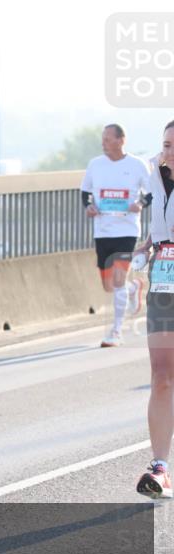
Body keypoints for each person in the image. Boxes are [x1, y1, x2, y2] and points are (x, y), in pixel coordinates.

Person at [80, 124, 151, 347]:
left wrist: (139, 203)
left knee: (118, 280)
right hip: (102, 230)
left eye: (108, 139)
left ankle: (116, 331)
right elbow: (86, 192)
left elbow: (151, 194)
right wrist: (89, 207)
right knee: (109, 284)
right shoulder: (95, 165)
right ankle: (134, 288)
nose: (103, 143)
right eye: (103, 139)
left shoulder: (137, 165)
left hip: (127, 230)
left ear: (121, 140)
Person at [133, 120, 174, 499]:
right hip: (163, 281)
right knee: (162, 375)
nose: (168, 152)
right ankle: (160, 467)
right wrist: (148, 245)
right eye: (166, 144)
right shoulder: (157, 177)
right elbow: (161, 222)